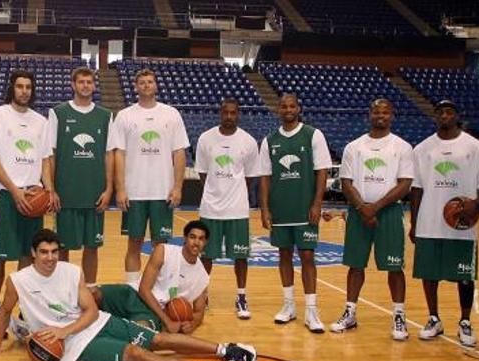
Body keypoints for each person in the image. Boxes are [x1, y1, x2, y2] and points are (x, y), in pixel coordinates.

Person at [0, 229, 255, 361]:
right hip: (73, 345)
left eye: (54, 252)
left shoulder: (71, 271)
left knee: (157, 339)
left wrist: (65, 329)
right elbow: (5, 313)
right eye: (44, 252)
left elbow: (91, 311)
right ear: (33, 253)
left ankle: (224, 349)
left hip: (92, 323)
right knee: (135, 353)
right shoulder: (18, 281)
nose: (49, 258)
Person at [409, 100, 479, 346]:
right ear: (435, 116)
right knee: (429, 273)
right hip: (429, 220)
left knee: (464, 275)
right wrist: (414, 223)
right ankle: (434, 318)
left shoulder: (474, 146)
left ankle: (465, 321)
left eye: (449, 112)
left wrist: (476, 203)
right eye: (440, 112)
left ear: (457, 115)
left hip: (461, 222)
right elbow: (416, 188)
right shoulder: (423, 149)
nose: (444, 115)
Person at [330, 98, 414, 340]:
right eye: (376, 111)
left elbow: (405, 183)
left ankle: (399, 316)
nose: (380, 115)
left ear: (392, 115)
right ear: (369, 114)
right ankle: (350, 312)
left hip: (388, 212)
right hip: (358, 212)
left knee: (394, 267)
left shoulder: (402, 147)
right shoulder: (354, 147)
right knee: (355, 265)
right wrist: (362, 207)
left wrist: (375, 207)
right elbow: (346, 182)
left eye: (385, 111)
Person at [0, 70, 49, 336]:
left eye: (28, 87)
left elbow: (45, 159)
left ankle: (21, 309)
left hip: (34, 195)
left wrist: (48, 188)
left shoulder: (41, 121)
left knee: (26, 256)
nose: (24, 91)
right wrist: (13, 189)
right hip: (6, 196)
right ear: (12, 89)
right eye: (19, 86)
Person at [258, 93, 331, 332]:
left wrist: (317, 203)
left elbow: (322, 171)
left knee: (308, 257)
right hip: (280, 210)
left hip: (304, 208)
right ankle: (289, 305)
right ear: (278, 110)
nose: (288, 109)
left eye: (292, 106)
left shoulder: (313, 135)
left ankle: (311, 309)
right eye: (283, 106)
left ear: (298, 108)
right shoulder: (270, 140)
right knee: (284, 255)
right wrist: (265, 208)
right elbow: (265, 178)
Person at [109, 68, 189, 285]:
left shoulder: (171, 114)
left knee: (161, 247)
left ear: (156, 85)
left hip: (162, 192)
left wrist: (178, 187)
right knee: (133, 244)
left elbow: (179, 152)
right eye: (142, 82)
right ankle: (132, 290)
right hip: (134, 192)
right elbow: (119, 154)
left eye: (150, 81)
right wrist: (121, 188)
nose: (146, 85)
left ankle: (161, 289)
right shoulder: (125, 116)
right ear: (136, 87)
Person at [41, 67, 113, 287]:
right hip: (66, 193)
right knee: (63, 248)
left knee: (92, 247)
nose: (85, 85)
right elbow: (48, 154)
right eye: (81, 82)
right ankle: (63, 289)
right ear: (73, 85)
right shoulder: (58, 113)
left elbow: (109, 154)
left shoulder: (105, 115)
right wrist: (51, 189)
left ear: (94, 85)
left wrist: (109, 188)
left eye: (89, 82)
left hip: (95, 194)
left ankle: (90, 289)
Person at [195, 98, 261, 320]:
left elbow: (250, 177)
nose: (229, 116)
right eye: (226, 112)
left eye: (233, 113)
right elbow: (203, 173)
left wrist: (234, 193)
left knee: (240, 256)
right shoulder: (206, 138)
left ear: (238, 114)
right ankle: (202, 294)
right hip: (211, 208)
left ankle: (241, 296)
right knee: (206, 256)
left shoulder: (249, 141)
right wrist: (216, 191)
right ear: (220, 113)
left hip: (238, 209)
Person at [94, 220, 210, 334]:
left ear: (206, 242)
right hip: (134, 294)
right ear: (185, 238)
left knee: (138, 332)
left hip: (154, 313)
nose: (196, 242)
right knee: (93, 294)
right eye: (192, 237)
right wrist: (168, 321)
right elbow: (144, 289)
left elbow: (199, 312)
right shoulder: (164, 251)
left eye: (201, 239)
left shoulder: (202, 277)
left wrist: (192, 324)